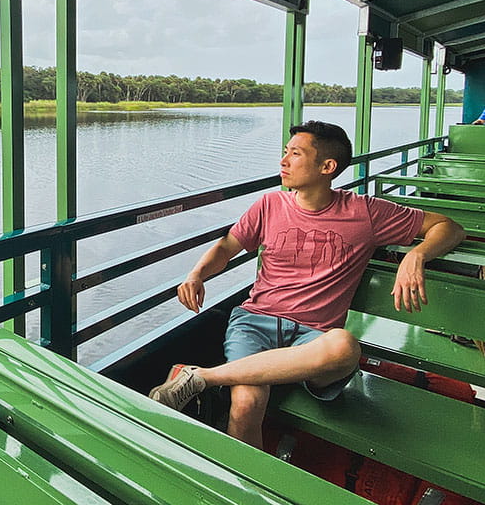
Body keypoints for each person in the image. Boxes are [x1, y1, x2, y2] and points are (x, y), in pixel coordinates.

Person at [147, 121, 465, 449]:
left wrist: (417, 255)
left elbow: (449, 227)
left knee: (344, 347)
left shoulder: (364, 213)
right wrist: (196, 275)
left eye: (295, 154)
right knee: (244, 406)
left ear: (327, 167)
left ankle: (200, 377)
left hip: (313, 338)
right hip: (256, 323)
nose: (283, 161)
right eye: (286, 152)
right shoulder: (269, 206)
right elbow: (228, 246)